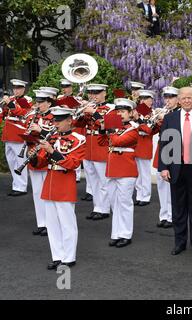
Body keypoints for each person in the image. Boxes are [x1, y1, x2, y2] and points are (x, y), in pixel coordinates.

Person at [29, 106, 86, 270]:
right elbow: (41, 162)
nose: (56, 123)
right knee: (52, 224)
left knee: (67, 223)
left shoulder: (78, 139)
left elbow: (73, 163)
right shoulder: (51, 138)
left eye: (59, 121)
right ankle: (57, 256)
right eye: (54, 120)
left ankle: (68, 257)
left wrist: (52, 151)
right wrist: (32, 157)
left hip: (65, 183)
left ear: (69, 120)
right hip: (50, 183)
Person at [159, 87, 192, 256]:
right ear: (179, 100)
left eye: (190, 98)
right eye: (184, 98)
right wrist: (163, 167)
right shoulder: (170, 118)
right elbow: (164, 144)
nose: (187, 101)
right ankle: (180, 242)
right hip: (176, 168)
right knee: (178, 208)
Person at [98, 98, 139, 248]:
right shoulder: (115, 128)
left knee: (125, 203)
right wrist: (103, 129)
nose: (120, 114)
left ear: (130, 113)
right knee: (114, 202)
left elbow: (118, 142)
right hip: (112, 169)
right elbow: (102, 142)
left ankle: (126, 234)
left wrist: (109, 130)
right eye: (118, 112)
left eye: (123, 112)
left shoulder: (133, 129)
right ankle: (116, 233)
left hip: (126, 170)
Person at [74, 84, 112, 220]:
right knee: (92, 180)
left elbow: (110, 126)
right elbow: (77, 124)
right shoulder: (88, 107)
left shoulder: (111, 108)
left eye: (96, 92)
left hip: (101, 147)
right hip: (88, 148)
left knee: (103, 181)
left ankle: (105, 208)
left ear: (104, 93)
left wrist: (94, 113)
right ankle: (97, 207)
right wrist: (81, 113)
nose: (92, 95)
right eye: (90, 92)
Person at [26, 89, 55, 237]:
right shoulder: (33, 116)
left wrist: (40, 129)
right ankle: (41, 223)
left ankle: (51, 224)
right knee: (37, 193)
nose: (38, 105)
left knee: (47, 193)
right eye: (37, 102)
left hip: (47, 157)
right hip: (34, 156)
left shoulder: (55, 116)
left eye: (41, 102)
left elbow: (54, 136)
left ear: (49, 102)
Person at [151, 86, 180, 228]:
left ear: (177, 99)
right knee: (162, 186)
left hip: (174, 150)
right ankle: (163, 215)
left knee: (171, 186)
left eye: (171, 97)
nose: (168, 100)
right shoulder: (163, 113)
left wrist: (164, 119)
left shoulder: (180, 114)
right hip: (162, 150)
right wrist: (154, 121)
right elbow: (151, 131)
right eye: (166, 97)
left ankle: (172, 216)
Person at [1, 79, 32, 196]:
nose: (16, 90)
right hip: (8, 135)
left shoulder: (27, 100)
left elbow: (23, 112)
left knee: (20, 162)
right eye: (14, 88)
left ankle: (21, 187)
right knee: (11, 161)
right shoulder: (12, 100)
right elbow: (5, 114)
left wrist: (9, 103)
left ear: (23, 89)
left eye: (18, 88)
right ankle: (16, 184)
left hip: (19, 135)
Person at [134, 89, 156, 207]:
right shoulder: (136, 112)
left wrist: (139, 121)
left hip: (145, 144)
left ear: (151, 100)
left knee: (145, 173)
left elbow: (149, 130)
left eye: (145, 99)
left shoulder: (152, 113)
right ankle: (139, 194)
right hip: (136, 144)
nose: (142, 101)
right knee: (137, 173)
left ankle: (146, 196)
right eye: (141, 99)